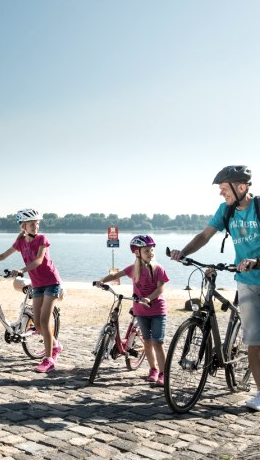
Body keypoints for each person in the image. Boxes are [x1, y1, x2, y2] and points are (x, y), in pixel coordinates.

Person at [169, 165, 260, 411]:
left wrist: (256, 261)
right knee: (253, 339)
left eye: (224, 188)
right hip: (247, 281)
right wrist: (183, 252)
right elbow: (205, 235)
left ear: (241, 187)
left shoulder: (259, 208)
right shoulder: (225, 211)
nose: (221, 194)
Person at [0, 208, 63, 373]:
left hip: (51, 282)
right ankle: (56, 345)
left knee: (44, 321)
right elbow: (3, 255)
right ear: (23, 226)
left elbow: (38, 260)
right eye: (32, 224)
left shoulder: (42, 239)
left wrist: (22, 270)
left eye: (37, 224)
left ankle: (49, 360)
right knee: (36, 323)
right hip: (37, 284)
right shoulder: (21, 242)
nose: (35, 227)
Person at [94, 235, 169, 387]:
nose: (150, 253)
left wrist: (149, 298)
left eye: (152, 250)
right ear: (137, 253)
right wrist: (102, 280)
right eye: (146, 250)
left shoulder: (158, 268)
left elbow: (161, 288)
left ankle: (163, 373)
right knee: (147, 342)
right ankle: (153, 369)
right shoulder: (133, 269)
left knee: (157, 342)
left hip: (157, 310)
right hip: (141, 311)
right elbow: (116, 275)